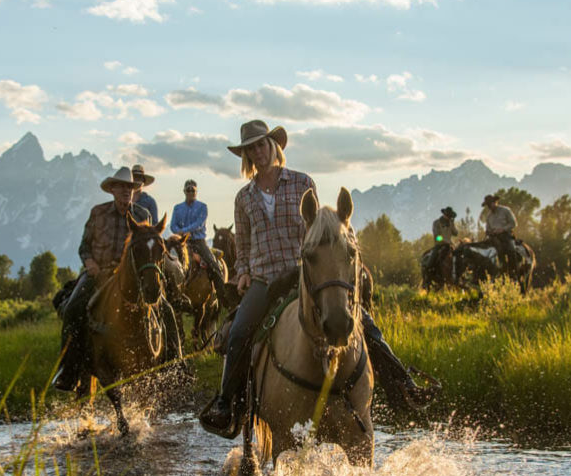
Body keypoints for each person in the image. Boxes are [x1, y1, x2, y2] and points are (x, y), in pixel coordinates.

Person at [198, 120, 427, 437]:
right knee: (238, 333)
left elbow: (318, 229)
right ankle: (227, 404)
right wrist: (242, 274)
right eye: (251, 148)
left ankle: (402, 383)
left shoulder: (302, 183)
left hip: (305, 274)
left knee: (362, 321)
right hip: (264, 280)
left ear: (273, 146)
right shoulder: (244, 198)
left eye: (261, 145)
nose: (258, 152)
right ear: (246, 155)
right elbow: (245, 248)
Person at [52, 166, 177, 393]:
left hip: (131, 277)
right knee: (72, 308)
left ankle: (173, 365)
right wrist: (89, 262)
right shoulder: (98, 213)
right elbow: (84, 246)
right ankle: (68, 371)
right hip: (98, 273)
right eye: (120, 187)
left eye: (129, 187)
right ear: (112, 189)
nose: (125, 191)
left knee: (165, 309)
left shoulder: (143, 215)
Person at [170, 179, 228, 300]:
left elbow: (199, 223)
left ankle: (221, 297)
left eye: (193, 190)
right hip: (182, 242)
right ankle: (169, 294)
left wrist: (185, 230)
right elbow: (172, 225)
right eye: (188, 189)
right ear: (184, 191)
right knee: (167, 261)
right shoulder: (177, 208)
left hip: (199, 242)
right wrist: (179, 232)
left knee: (213, 265)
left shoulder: (202, 207)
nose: (191, 192)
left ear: (196, 192)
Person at [482, 194, 518, 270]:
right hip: (493, 238)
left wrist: (503, 229)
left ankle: (513, 270)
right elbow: (487, 229)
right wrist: (489, 232)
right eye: (487, 205)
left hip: (506, 235)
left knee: (511, 250)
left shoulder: (506, 210)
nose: (489, 207)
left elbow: (513, 223)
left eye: (490, 204)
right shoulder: (489, 216)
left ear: (495, 202)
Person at [426, 206, 458, 273]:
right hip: (439, 245)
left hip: (450, 245)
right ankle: (427, 275)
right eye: (448, 216)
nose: (449, 217)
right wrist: (446, 241)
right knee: (430, 262)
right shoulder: (436, 223)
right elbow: (437, 237)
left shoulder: (450, 223)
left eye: (450, 216)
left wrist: (453, 224)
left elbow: (456, 233)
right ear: (444, 214)